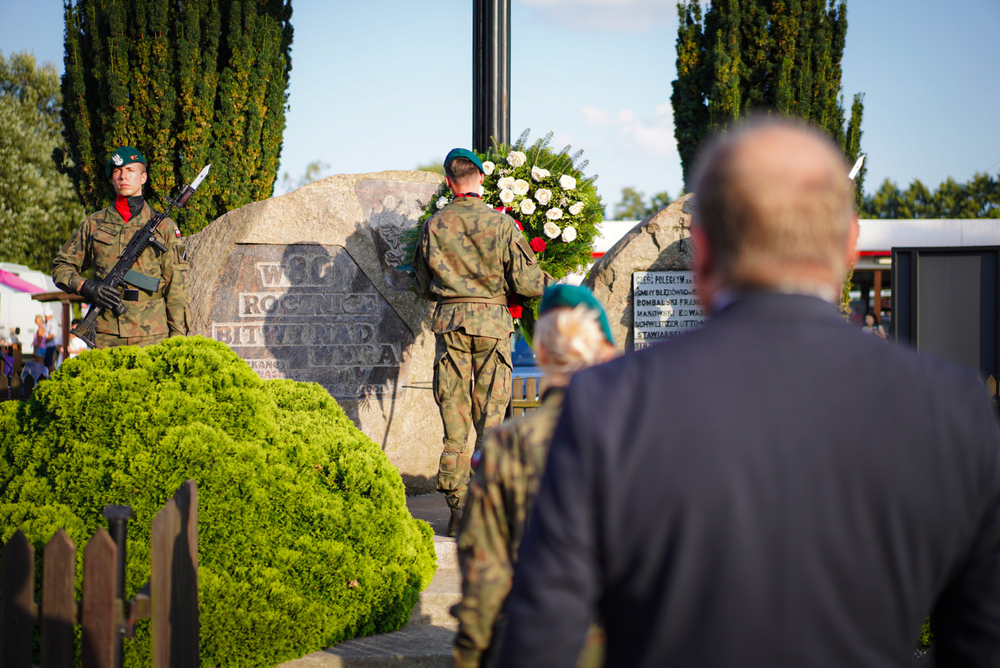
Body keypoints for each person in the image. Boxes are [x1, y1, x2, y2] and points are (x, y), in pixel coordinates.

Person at [497, 118, 1000, 667]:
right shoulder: (952, 410)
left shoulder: (609, 406)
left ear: (703, 250)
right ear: (850, 244)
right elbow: (982, 641)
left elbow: (540, 642)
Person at [452, 284, 615, 668]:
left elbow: (485, 573)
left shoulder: (508, 445)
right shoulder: (645, 436)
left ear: (540, 352)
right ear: (605, 352)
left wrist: (470, 657)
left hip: (536, 645)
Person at [413, 147, 549, 535]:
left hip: (450, 325)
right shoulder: (502, 225)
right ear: (482, 179)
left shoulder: (434, 225)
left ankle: (458, 508)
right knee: (491, 421)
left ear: (448, 182)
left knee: (453, 419)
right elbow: (528, 283)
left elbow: (421, 283)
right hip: (492, 326)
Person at [52, 147, 187, 349]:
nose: (123, 176)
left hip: (152, 335)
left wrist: (178, 341)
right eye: (117, 171)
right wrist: (85, 287)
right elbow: (61, 266)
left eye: (130, 170)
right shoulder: (94, 223)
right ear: (112, 179)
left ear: (143, 177)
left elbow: (176, 288)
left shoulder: (164, 227)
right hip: (106, 334)